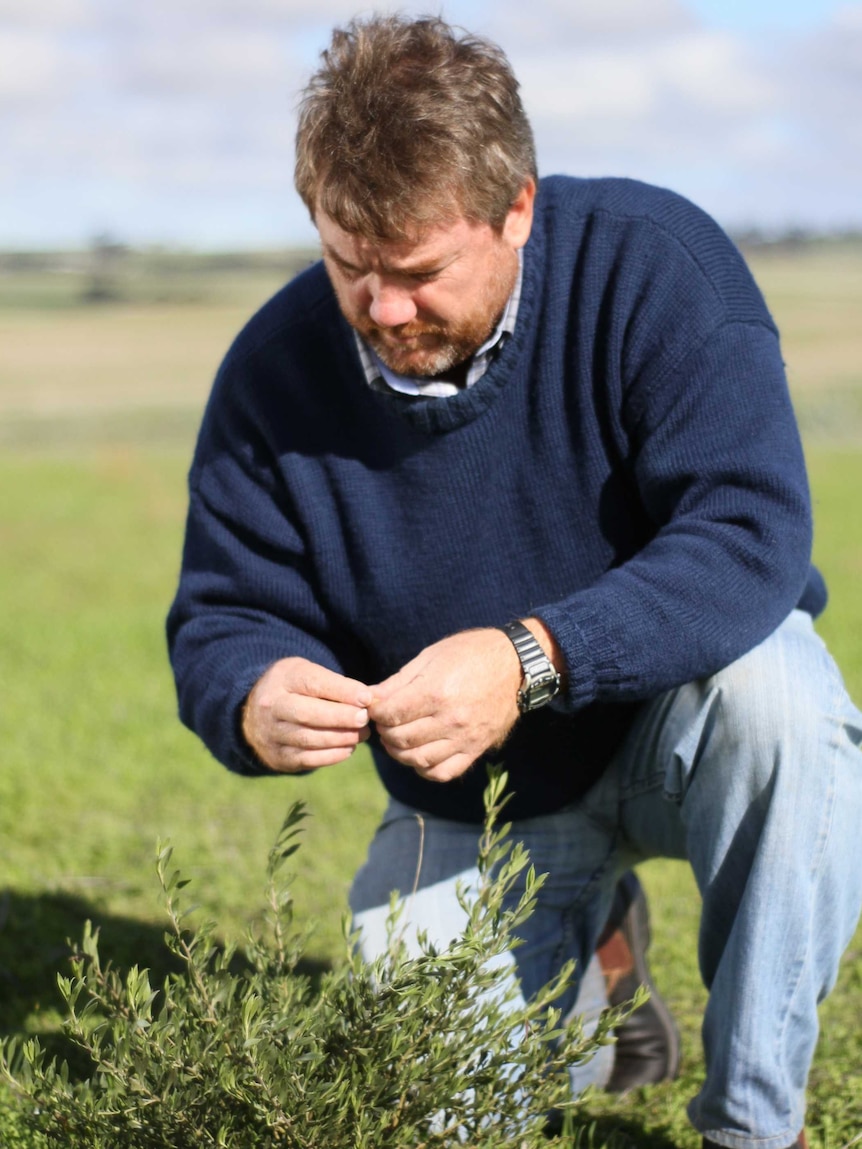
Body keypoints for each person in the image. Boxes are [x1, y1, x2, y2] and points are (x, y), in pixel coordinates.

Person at [167, 15, 862, 1148]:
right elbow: (224, 613)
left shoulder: (657, 266)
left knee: (782, 697)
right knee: (434, 1117)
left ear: (517, 210)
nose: (383, 309)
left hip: (682, 728)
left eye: (419, 271)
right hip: (473, 801)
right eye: (350, 264)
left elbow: (748, 533)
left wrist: (531, 657)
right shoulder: (270, 371)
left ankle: (751, 1123)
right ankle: (600, 972)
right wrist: (252, 688)